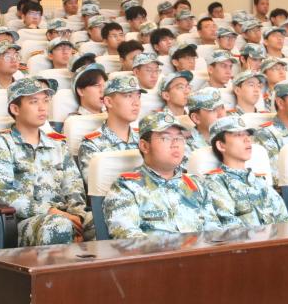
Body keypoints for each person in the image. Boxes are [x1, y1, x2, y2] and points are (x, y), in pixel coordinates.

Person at [0, 78, 91, 246]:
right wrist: (52, 212)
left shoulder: (58, 145)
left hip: (64, 216)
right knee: (58, 226)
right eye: (34, 102)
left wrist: (77, 217)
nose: (42, 108)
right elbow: (3, 194)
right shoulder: (0, 144)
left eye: (45, 101)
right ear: (15, 109)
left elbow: (74, 187)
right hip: (25, 221)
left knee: (105, 220)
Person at [103, 111, 221, 239]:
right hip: (155, 251)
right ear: (144, 146)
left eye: (179, 138)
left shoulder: (196, 184)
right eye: (165, 138)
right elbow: (128, 238)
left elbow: (214, 233)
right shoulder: (126, 188)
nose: (175, 144)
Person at [200, 116, 288, 227]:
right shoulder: (215, 184)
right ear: (221, 145)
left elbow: (283, 219)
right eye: (238, 135)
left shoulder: (259, 181)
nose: (247, 139)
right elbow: (230, 228)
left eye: (247, 135)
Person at [75, 73, 141, 178]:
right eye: (128, 96)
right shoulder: (92, 145)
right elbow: (98, 186)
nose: (136, 103)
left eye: (138, 96)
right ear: (109, 102)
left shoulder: (145, 139)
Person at [185, 88, 227, 153]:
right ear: (196, 118)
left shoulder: (231, 135)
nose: (221, 114)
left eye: (222, 107)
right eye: (213, 110)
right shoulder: (186, 147)